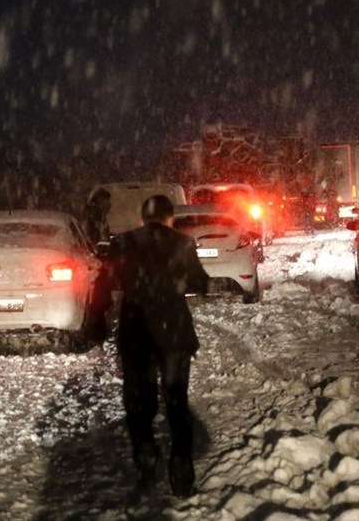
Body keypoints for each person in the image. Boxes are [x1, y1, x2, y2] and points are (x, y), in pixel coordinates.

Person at [113, 194, 209, 500]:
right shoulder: (182, 243)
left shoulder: (123, 243)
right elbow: (201, 283)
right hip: (173, 334)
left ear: (142, 218)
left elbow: (112, 280)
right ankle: (181, 478)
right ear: (170, 218)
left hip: (136, 332)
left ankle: (146, 465)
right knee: (177, 404)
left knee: (139, 405)